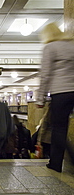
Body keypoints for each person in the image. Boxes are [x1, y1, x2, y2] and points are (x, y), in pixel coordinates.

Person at [37, 23, 74, 172]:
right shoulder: (72, 45)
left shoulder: (51, 47)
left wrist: (40, 98)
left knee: (58, 128)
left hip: (60, 92)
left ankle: (56, 163)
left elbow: (45, 74)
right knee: (62, 127)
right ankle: (57, 162)